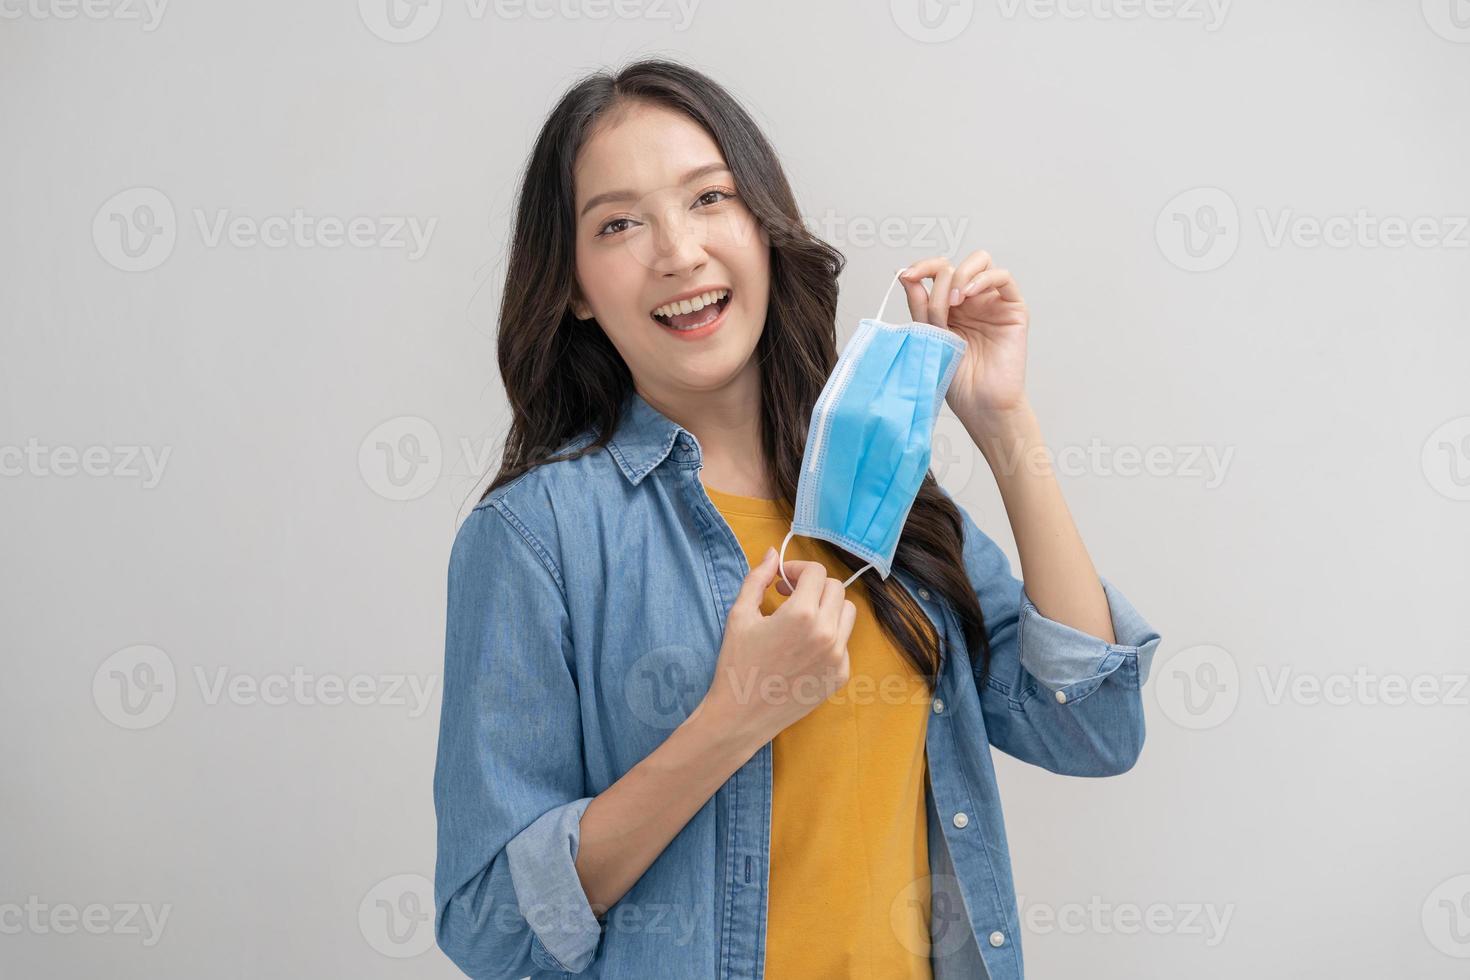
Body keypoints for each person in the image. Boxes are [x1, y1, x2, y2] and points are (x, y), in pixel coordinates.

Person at [432, 57, 1162, 980]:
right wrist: (734, 718)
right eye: (618, 223)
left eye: (708, 199)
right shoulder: (537, 539)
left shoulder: (884, 495)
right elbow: (491, 924)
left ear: (764, 227)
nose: (677, 252)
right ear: (574, 285)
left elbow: (1093, 730)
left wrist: (1003, 423)